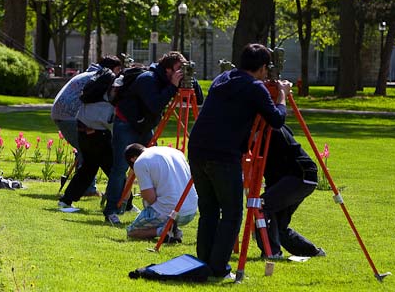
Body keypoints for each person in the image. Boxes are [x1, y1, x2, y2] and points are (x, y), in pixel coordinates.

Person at [187, 43, 292, 279]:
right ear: (263, 67)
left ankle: (204, 263)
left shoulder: (223, 78)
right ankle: (218, 269)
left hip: (197, 149)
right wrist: (282, 95)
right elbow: (276, 120)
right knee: (232, 214)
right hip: (223, 155)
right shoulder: (254, 87)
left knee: (209, 210)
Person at [103, 51, 186, 225]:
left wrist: (188, 80)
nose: (182, 72)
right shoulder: (148, 79)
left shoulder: (167, 80)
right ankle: (111, 210)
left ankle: (151, 208)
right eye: (179, 68)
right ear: (168, 69)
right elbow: (155, 105)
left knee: (152, 166)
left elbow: (197, 98)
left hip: (144, 127)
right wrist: (172, 86)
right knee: (120, 168)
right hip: (126, 124)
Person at [51, 56, 122, 196]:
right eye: (118, 69)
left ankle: (83, 189)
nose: (119, 73)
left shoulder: (90, 74)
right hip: (70, 115)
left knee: (86, 149)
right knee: (90, 150)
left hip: (62, 113)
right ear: (111, 68)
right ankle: (88, 189)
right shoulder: (101, 78)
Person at [255, 124, 325, 258]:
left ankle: (272, 253)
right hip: (300, 176)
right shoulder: (265, 130)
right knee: (279, 224)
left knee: (261, 205)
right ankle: (312, 252)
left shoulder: (270, 128)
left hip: (300, 175)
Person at [124, 143, 197, 243]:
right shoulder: (176, 152)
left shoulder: (140, 162)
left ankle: (163, 231)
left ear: (133, 159)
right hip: (191, 211)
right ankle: (173, 230)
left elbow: (150, 198)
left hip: (170, 211)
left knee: (132, 232)